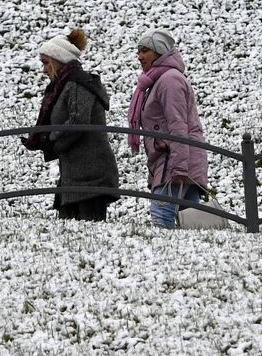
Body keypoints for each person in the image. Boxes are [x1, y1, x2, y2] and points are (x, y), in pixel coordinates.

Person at [20, 28, 120, 221]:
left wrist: (52, 140)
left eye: (46, 63)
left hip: (91, 175)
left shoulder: (77, 85)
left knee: (91, 236)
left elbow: (78, 121)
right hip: (75, 173)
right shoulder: (65, 86)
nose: (43, 69)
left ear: (58, 61)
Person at [127, 28, 209, 228]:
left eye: (145, 51)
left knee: (162, 218)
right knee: (189, 224)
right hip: (174, 161)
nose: (140, 57)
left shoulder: (169, 80)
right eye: (138, 51)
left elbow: (178, 124)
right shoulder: (159, 80)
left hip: (173, 164)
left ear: (159, 52)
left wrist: (179, 167)